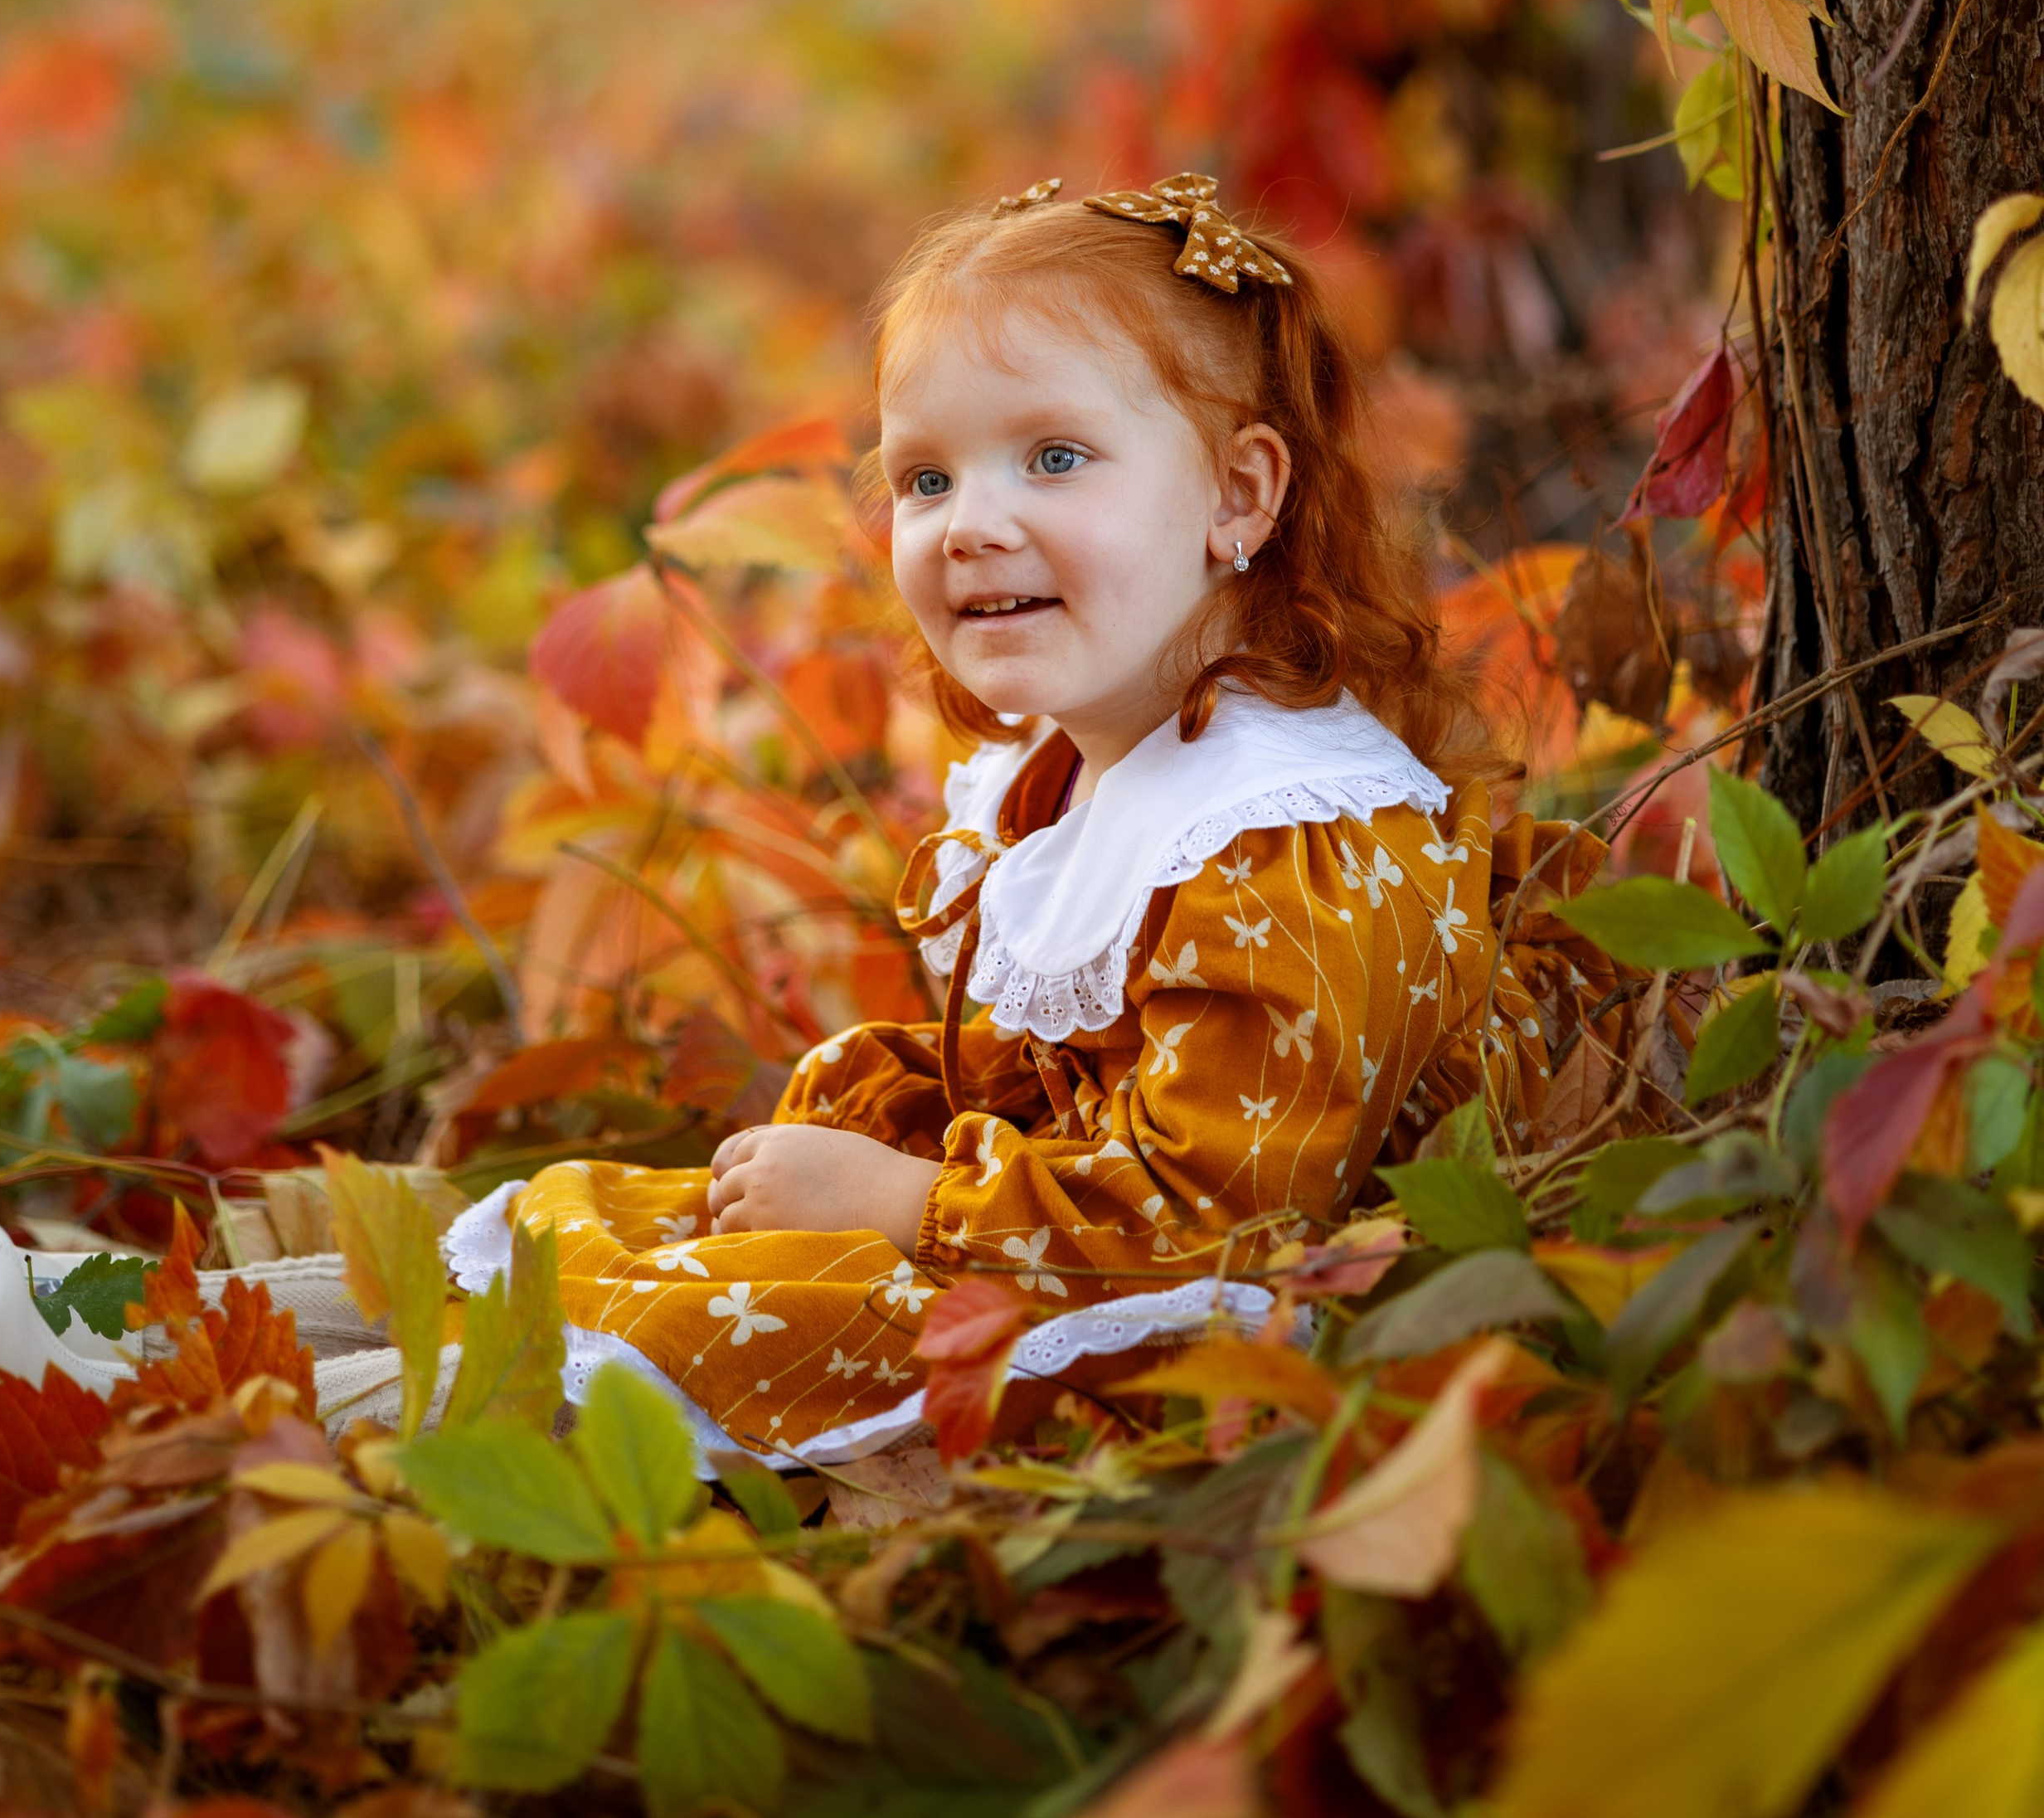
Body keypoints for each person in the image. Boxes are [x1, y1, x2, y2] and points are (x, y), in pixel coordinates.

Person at [444, 173, 1631, 1467]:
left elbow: (1224, 1219)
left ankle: (495, 1422)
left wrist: (913, 1203)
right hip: (1081, 1232)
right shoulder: (1077, 767)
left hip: (1236, 1312)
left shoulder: (1282, 829)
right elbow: (1069, 1073)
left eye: (1054, 458)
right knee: (625, 1234)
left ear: (1240, 497)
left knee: (746, 1322)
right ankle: (469, 1360)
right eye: (927, 477)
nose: (972, 526)